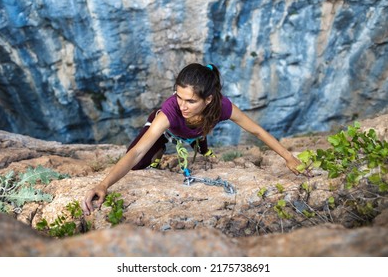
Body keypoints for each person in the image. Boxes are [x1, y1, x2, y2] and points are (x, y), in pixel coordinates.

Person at [81, 63, 302, 215]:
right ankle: (161, 149)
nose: (182, 105)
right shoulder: (170, 111)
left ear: (208, 100)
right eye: (178, 96)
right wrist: (103, 184)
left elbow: (257, 131)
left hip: (196, 131)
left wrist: (289, 158)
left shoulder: (222, 107)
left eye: (190, 101)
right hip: (168, 128)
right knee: (140, 163)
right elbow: (136, 152)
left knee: (199, 132)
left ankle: (201, 146)